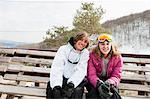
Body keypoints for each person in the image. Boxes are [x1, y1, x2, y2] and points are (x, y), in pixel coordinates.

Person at [46, 31, 90, 99]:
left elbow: (81, 70)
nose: (82, 43)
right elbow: (57, 67)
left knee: (77, 90)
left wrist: (72, 84)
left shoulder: (85, 53)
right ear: (76, 40)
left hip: (75, 81)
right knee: (53, 90)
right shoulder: (63, 49)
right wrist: (56, 85)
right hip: (61, 78)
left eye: (85, 42)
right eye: (81, 40)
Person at [86, 33, 123, 99]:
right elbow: (91, 74)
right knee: (94, 93)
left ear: (111, 45)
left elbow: (116, 75)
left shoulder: (117, 57)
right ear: (98, 45)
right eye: (102, 44)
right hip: (96, 81)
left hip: (110, 81)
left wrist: (109, 83)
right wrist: (98, 84)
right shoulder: (92, 55)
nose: (105, 47)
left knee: (113, 93)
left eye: (107, 44)